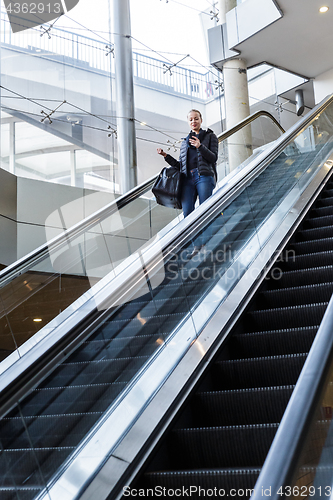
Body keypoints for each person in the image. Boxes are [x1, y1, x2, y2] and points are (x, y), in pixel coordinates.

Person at [157, 109, 218, 218]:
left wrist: (200, 146)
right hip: (187, 179)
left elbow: (213, 158)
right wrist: (166, 156)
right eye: (190, 119)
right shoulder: (185, 142)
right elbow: (180, 166)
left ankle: (206, 234)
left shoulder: (210, 136)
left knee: (205, 210)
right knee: (187, 213)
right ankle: (194, 235)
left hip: (203, 176)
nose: (193, 121)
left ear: (201, 120)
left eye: (196, 118)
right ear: (188, 122)